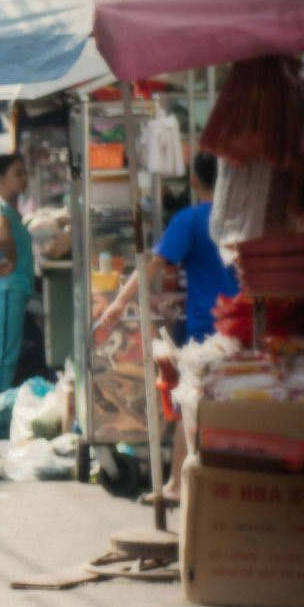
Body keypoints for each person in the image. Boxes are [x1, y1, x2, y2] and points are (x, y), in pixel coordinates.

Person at [96, 150, 239, 504]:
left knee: (190, 404)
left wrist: (119, 303)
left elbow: (153, 264)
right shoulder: (239, 217)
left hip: (208, 328)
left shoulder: (190, 219)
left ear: (194, 180)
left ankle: (177, 485)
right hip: (249, 321)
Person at [0, 151, 56, 393]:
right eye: (17, 173)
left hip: (12, 288)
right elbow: (0, 234)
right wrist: (11, 258)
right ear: (0, 178)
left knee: (7, 350)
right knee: (3, 351)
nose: (23, 178)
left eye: (24, 173)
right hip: (4, 287)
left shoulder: (6, 207)